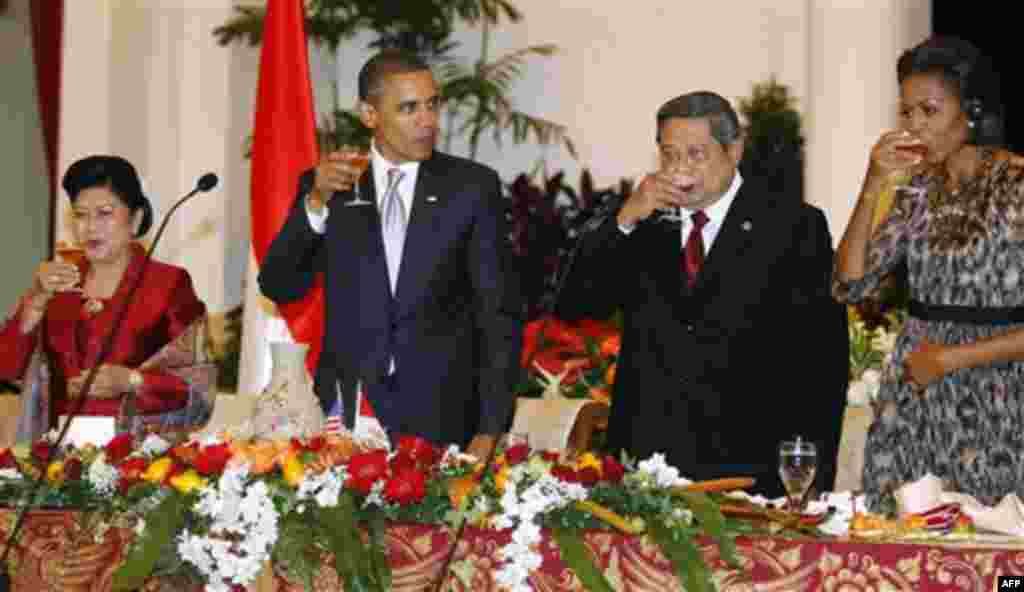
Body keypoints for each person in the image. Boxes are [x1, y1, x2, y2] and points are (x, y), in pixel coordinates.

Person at [557, 91, 848, 496]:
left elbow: (821, 363)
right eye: (670, 155)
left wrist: (810, 472)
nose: (680, 169)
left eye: (696, 154)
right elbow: (575, 305)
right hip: (647, 473)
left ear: (734, 149)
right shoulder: (643, 225)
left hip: (747, 470)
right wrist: (623, 220)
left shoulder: (792, 227)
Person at [259, 50, 522, 460]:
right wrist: (315, 203)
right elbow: (279, 285)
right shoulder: (333, 184)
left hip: (443, 416)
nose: (428, 121)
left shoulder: (471, 188)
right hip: (347, 417)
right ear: (369, 114)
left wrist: (490, 429)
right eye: (409, 108)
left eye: (433, 104)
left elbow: (498, 315)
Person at [835, 36, 1024, 509]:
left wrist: (952, 359)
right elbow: (850, 283)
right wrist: (873, 182)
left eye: (929, 111)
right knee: (900, 546)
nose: (915, 126)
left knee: (990, 552)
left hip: (997, 395)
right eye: (907, 113)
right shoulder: (918, 189)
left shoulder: (1017, 184)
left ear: (972, 112)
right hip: (915, 392)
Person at [0, 155, 215, 443]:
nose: (89, 227)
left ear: (136, 219)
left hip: (138, 460)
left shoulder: (167, 284)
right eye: (80, 214)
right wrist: (35, 301)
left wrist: (132, 381)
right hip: (53, 456)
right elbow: (8, 368)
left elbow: (198, 389)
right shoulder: (58, 286)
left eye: (104, 213)